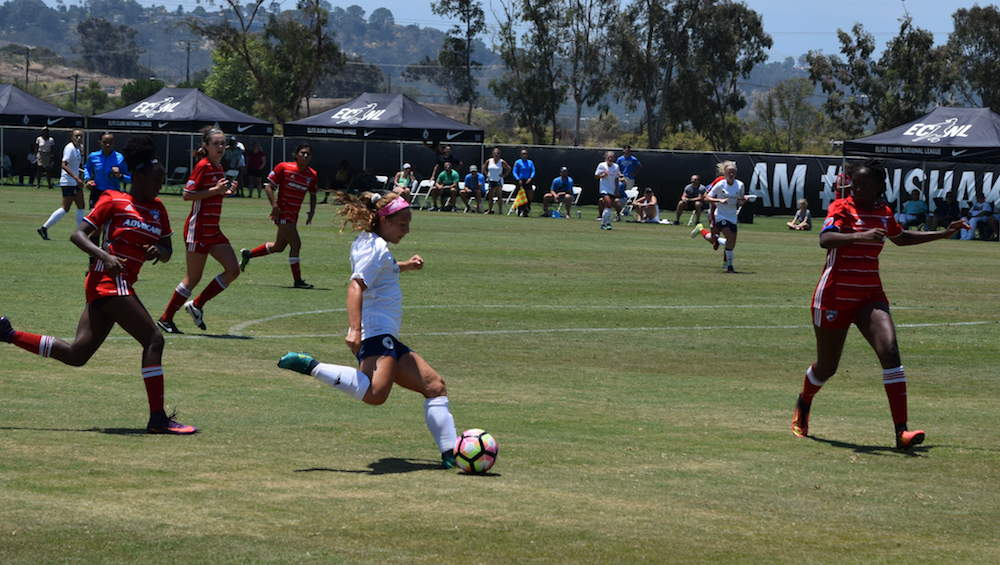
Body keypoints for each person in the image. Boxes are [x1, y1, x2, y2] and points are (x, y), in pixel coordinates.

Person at [0, 135, 197, 435]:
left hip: (118, 284)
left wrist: (161, 252)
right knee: (154, 340)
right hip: (107, 280)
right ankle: (157, 418)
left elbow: (169, 251)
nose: (161, 184)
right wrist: (105, 255)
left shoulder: (159, 209)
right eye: (157, 179)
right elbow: (78, 235)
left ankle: (8, 333)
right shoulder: (113, 200)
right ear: (140, 177)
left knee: (77, 354)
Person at [792, 158, 967, 451]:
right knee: (827, 367)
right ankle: (804, 401)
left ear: (879, 187)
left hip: (870, 296)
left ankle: (902, 432)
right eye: (854, 183)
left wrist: (943, 233)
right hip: (834, 296)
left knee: (890, 351)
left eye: (864, 184)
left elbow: (900, 238)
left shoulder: (884, 212)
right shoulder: (841, 207)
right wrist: (859, 235)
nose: (856, 188)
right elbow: (825, 239)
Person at [276, 192, 459, 469]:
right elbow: (356, 285)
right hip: (375, 332)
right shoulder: (374, 247)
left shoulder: (374, 244)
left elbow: (382, 271)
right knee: (375, 394)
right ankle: (310, 365)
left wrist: (405, 266)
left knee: (435, 387)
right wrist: (354, 329)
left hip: (386, 335)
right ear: (384, 221)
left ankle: (451, 454)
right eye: (402, 224)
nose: (406, 230)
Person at [157, 126, 240, 334]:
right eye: (216, 143)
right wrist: (215, 190)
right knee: (193, 277)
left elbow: (211, 195)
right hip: (199, 229)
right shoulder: (203, 165)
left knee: (233, 270)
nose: (220, 147)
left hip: (213, 229)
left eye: (223, 143)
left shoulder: (218, 167)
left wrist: (225, 193)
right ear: (206, 146)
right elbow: (187, 194)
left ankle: (197, 305)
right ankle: (165, 319)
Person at [239, 142, 318, 289]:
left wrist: (312, 211)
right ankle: (298, 281)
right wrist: (274, 206)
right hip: (282, 213)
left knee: (279, 246)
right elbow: (269, 187)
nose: (305, 155)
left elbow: (313, 194)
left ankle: (249, 254)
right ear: (296, 155)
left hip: (294, 215)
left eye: (308, 153)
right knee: (296, 244)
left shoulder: (312, 174)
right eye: (303, 153)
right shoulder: (284, 167)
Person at [692, 161, 744, 272]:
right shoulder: (720, 182)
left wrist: (742, 201)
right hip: (718, 212)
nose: (731, 174)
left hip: (731, 215)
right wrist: (717, 201)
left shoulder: (739, 184)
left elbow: (740, 199)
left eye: (733, 172)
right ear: (725, 172)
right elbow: (707, 195)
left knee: (729, 242)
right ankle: (703, 230)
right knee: (717, 240)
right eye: (729, 172)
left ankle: (726, 262)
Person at [37, 129, 85, 241]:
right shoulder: (70, 148)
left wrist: (81, 172)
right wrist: (76, 177)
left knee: (81, 206)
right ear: (71, 137)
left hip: (74, 181)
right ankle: (44, 228)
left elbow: (73, 166)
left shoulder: (77, 149)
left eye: (80, 136)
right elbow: (64, 165)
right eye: (76, 136)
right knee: (65, 208)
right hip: (69, 182)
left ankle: (80, 233)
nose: (79, 138)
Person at [84, 132, 130, 208]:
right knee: (94, 217)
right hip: (97, 192)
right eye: (105, 142)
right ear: (100, 143)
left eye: (110, 143)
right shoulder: (93, 156)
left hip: (113, 193)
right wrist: (88, 180)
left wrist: (120, 175)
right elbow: (87, 168)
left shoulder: (120, 158)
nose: (108, 145)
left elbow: (131, 179)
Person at [595, 151, 622, 230]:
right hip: (604, 189)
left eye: (611, 157)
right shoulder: (602, 165)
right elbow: (596, 175)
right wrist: (604, 174)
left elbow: (617, 179)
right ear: (606, 158)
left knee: (607, 207)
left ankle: (603, 224)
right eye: (608, 157)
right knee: (609, 204)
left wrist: (616, 190)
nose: (610, 159)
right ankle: (609, 223)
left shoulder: (616, 167)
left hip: (612, 189)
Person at [483, 147, 511, 215]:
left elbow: (509, 168)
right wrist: (487, 174)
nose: (496, 155)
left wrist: (504, 175)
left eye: (497, 153)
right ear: (493, 154)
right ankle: (490, 210)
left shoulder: (501, 162)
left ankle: (500, 211)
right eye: (495, 153)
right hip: (491, 179)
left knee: (499, 196)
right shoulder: (489, 161)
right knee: (490, 196)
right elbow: (484, 167)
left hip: (498, 180)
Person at [512, 149, 536, 217]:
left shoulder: (530, 162)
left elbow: (533, 171)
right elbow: (514, 172)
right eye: (523, 154)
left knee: (529, 196)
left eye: (525, 154)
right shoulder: (518, 162)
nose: (524, 155)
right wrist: (518, 179)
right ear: (520, 155)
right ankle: (519, 210)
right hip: (521, 181)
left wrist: (530, 178)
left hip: (528, 180)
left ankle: (526, 210)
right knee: (521, 196)